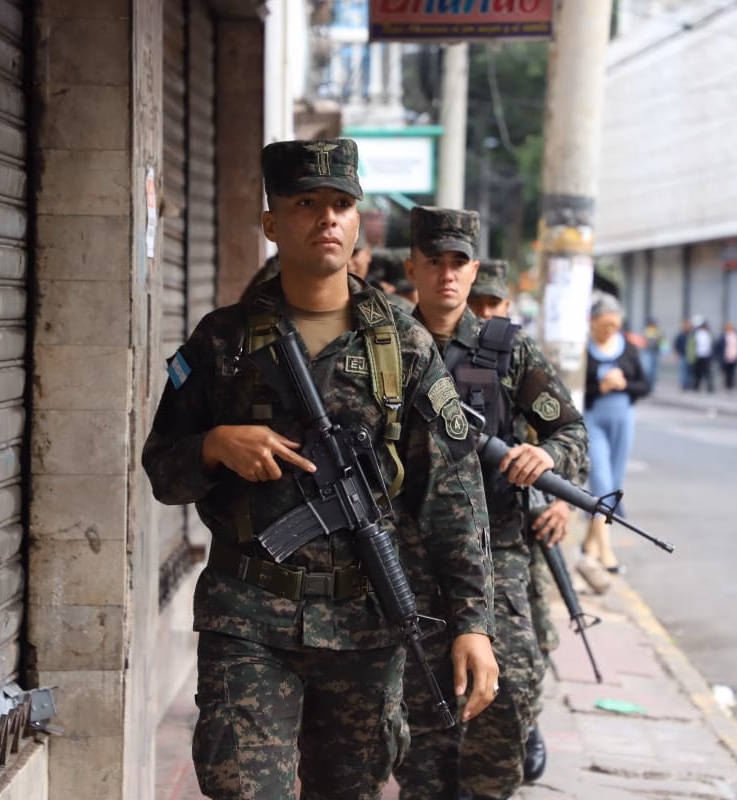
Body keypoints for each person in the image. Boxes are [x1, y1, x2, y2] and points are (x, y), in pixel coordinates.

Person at [141, 139, 499, 800]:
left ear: (358, 221)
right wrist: (214, 445)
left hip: (365, 624)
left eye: (341, 204)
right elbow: (162, 470)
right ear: (272, 223)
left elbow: (453, 494)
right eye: (306, 203)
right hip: (248, 618)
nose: (327, 218)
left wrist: (473, 623)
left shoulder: (403, 344)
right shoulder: (222, 340)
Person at [396, 207, 587, 800]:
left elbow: (571, 431)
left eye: (459, 263)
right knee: (419, 704)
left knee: (512, 688)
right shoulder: (385, 347)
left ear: (474, 269)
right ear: (413, 269)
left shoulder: (506, 350)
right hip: (405, 554)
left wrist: (546, 456)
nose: (447, 275)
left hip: (496, 549)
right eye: (434, 262)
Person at [468, 257, 569, 785]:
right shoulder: (428, 347)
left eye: (493, 303)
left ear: (507, 305)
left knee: (527, 644)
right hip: (446, 528)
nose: (484, 312)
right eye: (477, 302)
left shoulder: (516, 354)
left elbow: (564, 433)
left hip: (516, 519)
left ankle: (525, 724)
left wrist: (560, 495)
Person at [582, 296, 650, 575]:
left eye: (615, 324)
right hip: (593, 420)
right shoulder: (583, 350)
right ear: (593, 322)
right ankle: (606, 553)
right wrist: (600, 387)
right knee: (602, 483)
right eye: (605, 324)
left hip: (623, 420)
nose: (610, 329)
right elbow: (575, 389)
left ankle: (589, 548)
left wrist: (623, 384)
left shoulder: (628, 349)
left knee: (614, 483)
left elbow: (644, 385)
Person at [715, 320, 737, 393]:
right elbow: (718, 347)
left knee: (732, 372)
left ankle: (731, 387)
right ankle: (727, 386)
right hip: (726, 357)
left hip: (734, 357)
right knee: (727, 372)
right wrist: (718, 356)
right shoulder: (723, 336)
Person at [641, 317, 663, 389]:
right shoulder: (647, 331)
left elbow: (663, 342)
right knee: (648, 370)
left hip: (655, 352)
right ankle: (648, 384)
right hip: (648, 352)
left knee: (653, 370)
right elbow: (643, 341)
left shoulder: (658, 331)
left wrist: (664, 351)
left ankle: (651, 385)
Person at [672, 319, 692, 391]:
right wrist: (675, 354)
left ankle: (688, 384)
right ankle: (683, 384)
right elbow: (676, 345)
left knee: (689, 371)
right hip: (683, 355)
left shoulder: (691, 335)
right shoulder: (680, 335)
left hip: (690, 355)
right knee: (683, 370)